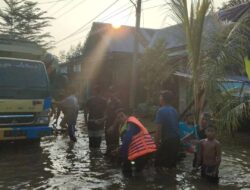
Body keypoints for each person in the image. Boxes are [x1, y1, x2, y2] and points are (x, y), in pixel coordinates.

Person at [114, 109, 156, 177]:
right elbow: (128, 141)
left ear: (127, 115)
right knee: (142, 175)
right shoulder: (126, 125)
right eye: (118, 117)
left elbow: (127, 140)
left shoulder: (131, 122)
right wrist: (120, 149)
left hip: (142, 152)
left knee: (137, 176)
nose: (120, 119)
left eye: (122, 116)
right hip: (144, 152)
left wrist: (123, 157)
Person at [155, 90, 180, 169]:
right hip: (176, 140)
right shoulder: (174, 110)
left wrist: (156, 144)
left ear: (162, 99)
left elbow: (158, 130)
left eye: (160, 97)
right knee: (171, 165)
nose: (159, 98)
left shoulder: (161, 111)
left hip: (167, 140)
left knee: (159, 165)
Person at [104, 87, 122, 156]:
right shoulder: (108, 101)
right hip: (108, 124)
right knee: (108, 140)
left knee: (114, 141)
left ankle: (115, 155)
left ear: (115, 93)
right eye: (109, 92)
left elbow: (119, 116)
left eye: (112, 92)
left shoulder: (117, 102)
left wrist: (113, 126)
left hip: (114, 126)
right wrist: (102, 120)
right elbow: (107, 114)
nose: (110, 93)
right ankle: (108, 153)